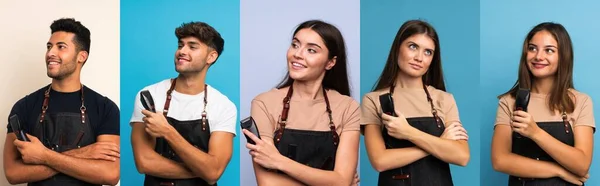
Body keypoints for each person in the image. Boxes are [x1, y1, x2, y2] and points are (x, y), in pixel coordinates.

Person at [3, 18, 120, 186]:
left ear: (81, 56)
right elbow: (13, 173)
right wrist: (85, 153)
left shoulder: (105, 108)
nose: (50, 53)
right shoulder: (24, 107)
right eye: (49, 47)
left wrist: (43, 156)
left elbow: (110, 174)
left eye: (61, 47)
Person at [243, 20, 360, 186]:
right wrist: (332, 181)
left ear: (330, 62)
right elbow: (268, 183)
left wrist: (279, 161)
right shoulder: (264, 103)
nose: (297, 54)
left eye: (311, 50)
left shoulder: (348, 107)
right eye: (295, 45)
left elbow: (341, 180)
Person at [361, 20, 470, 186]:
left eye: (428, 52)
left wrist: (408, 132)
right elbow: (380, 161)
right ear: (398, 47)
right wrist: (440, 142)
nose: (419, 58)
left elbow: (462, 156)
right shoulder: (373, 100)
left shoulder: (444, 99)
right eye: (413, 47)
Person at [130, 21, 237, 186]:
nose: (182, 51)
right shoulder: (149, 96)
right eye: (180, 45)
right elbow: (144, 162)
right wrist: (203, 170)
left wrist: (168, 132)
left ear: (211, 56)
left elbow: (214, 171)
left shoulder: (223, 106)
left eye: (192, 47)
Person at [491, 22, 594, 186]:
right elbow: (500, 160)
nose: (538, 56)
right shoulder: (509, 101)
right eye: (532, 48)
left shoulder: (580, 101)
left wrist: (535, 132)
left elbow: (581, 165)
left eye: (549, 50)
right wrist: (558, 170)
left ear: (563, 56)